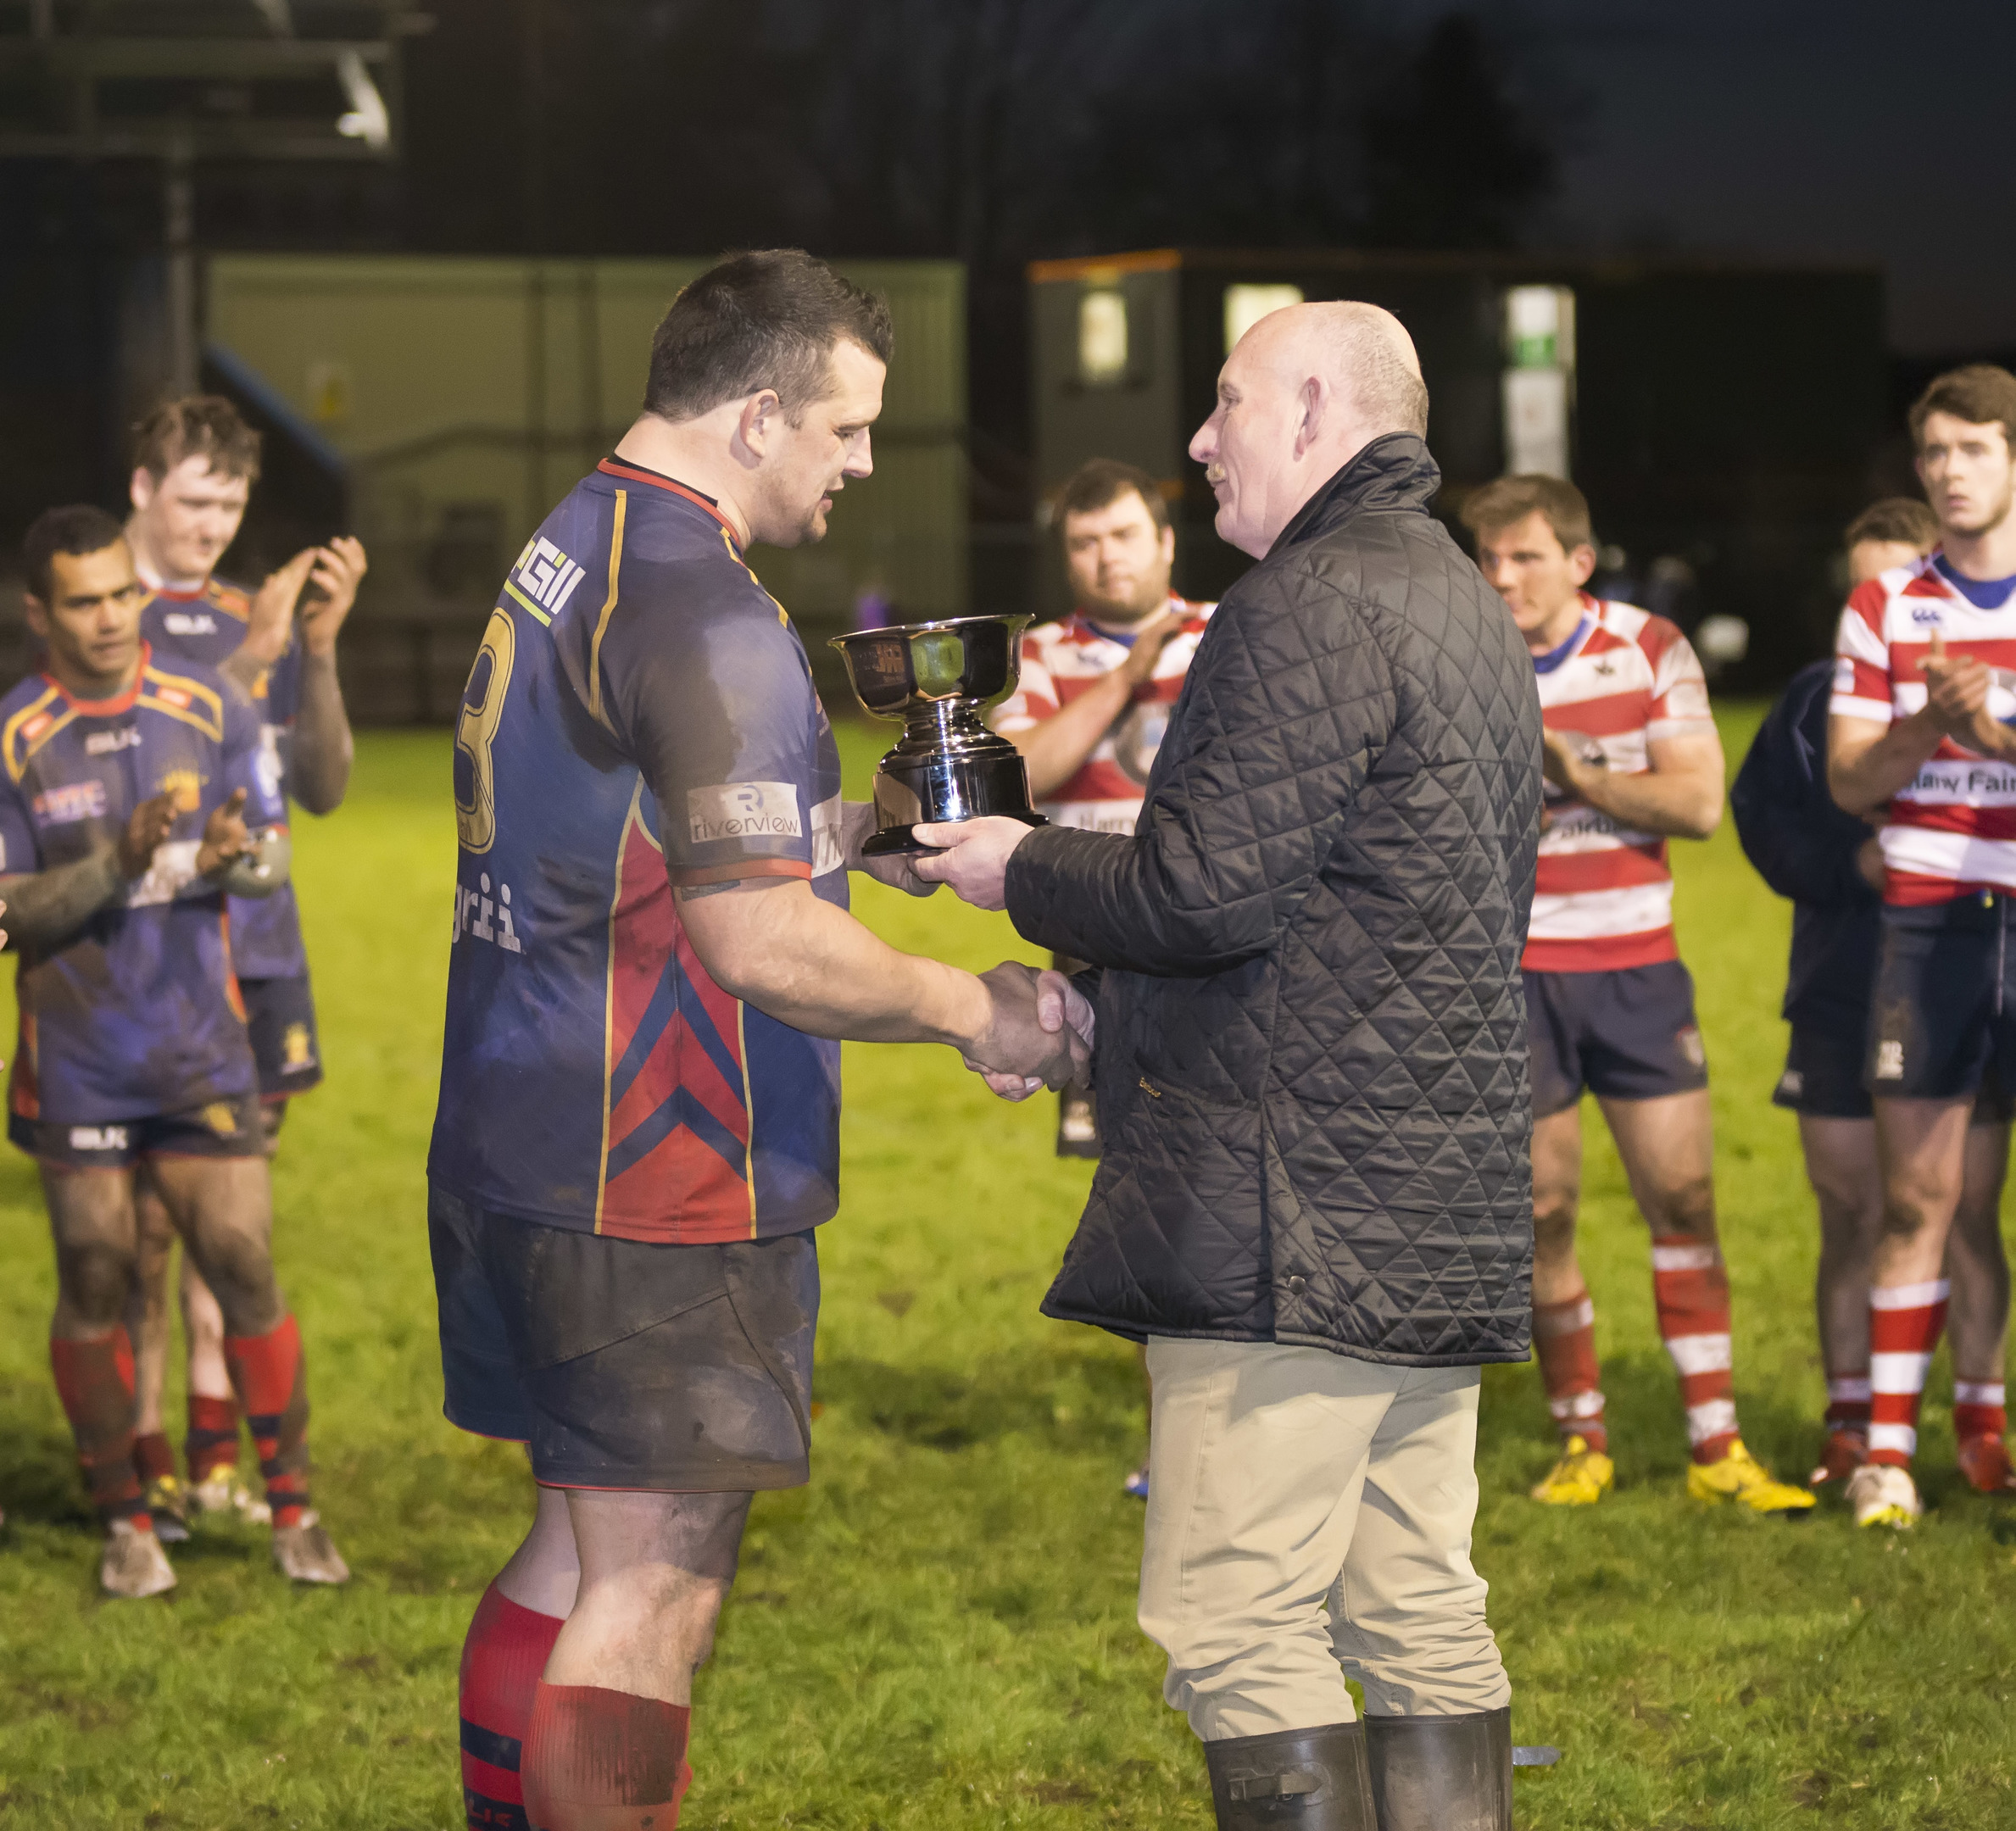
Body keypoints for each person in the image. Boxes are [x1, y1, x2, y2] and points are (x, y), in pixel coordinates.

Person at [428, 250, 1087, 1831]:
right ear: (754, 413)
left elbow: (619, 827)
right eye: (846, 430)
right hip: (656, 1170)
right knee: (650, 1590)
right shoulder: (707, 610)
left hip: (518, 1131)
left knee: (572, 1550)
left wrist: (845, 827)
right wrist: (979, 1007)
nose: (861, 463)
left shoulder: (576, 540)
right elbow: (754, 943)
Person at [918, 301, 1539, 1831]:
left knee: (1237, 1625)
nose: (1200, 440)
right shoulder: (1458, 596)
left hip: (1291, 1216)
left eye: (1227, 403)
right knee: (1414, 1606)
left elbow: (1203, 895)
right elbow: (1341, 905)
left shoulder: (1305, 600)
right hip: (1429, 1199)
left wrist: (1019, 865)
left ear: (1317, 406)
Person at [2, 505, 348, 1597]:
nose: (110, 618)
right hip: (81, 1059)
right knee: (97, 1276)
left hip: (201, 1051)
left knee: (243, 1265)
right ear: (39, 612)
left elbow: (269, 861)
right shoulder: (15, 734)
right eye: (84, 600)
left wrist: (235, 854)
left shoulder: (209, 705)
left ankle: (291, 1506)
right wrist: (122, 860)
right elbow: (11, 912)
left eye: (121, 594)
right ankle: (123, 1519)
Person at [1459, 476, 1813, 1518]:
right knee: (1541, 1210)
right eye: (1486, 558)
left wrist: (1573, 774)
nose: (1501, 577)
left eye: (1522, 557)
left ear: (1577, 561)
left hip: (1634, 968)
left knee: (1684, 1197)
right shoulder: (1464, 663)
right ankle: (1580, 1437)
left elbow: (1697, 801)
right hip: (1511, 980)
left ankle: (1716, 1442)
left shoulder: (1647, 645)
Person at [116, 396, 369, 1539]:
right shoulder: (96, 617)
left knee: (234, 1226)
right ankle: (144, 1460)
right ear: (142, 487)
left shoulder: (247, 614)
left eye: (232, 504)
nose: (215, 525)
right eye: (195, 499)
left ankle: (215, 1450)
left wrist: (311, 653)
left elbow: (317, 788)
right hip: (139, 965)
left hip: (257, 957)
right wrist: (257, 653)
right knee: (138, 1235)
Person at [1733, 498, 2014, 1499]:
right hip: (1840, 986)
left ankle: (1977, 1421)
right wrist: (1847, 865)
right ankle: (1851, 1422)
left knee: (1964, 1211)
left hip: (1954, 967)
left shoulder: (1995, 676)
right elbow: (1756, 819)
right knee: (1853, 1212)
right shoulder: (1815, 701)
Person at [989, 455, 1214, 1498]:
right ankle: (1176, 1434)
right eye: (1083, 541)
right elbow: (1016, 775)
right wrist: (1125, 679)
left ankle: (1236, 1430)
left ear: (1166, 542)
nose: (1103, 555)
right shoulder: (1038, 655)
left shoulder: (1231, 632)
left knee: (1226, 1187)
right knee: (1145, 1200)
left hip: (1215, 954)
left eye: (1122, 535)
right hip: (1096, 967)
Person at [1829, 364, 2016, 1528]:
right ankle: (1885, 1458)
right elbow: (1851, 781)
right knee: (1921, 1196)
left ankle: (1980, 1424)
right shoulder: (1885, 605)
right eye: (1932, 454)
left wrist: (1993, 731)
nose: (1947, 472)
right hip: (1930, 920)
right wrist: (1926, 727)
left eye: (1973, 448)